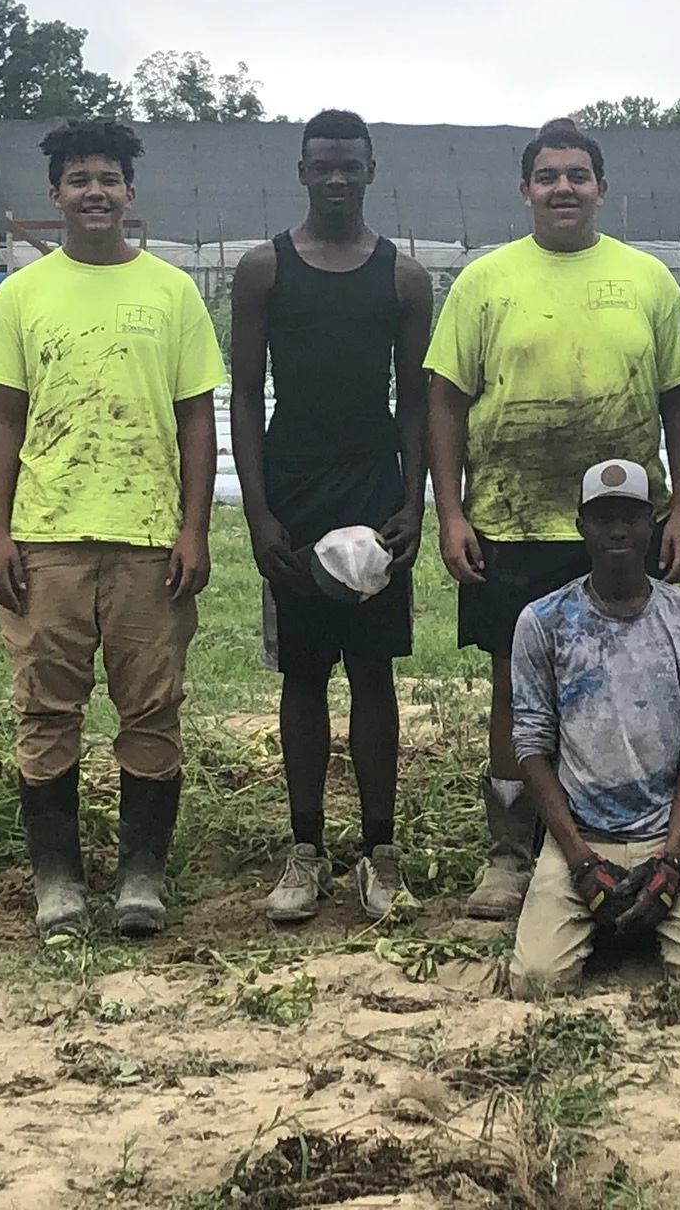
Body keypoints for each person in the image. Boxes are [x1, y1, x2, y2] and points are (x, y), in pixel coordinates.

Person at [425, 118, 680, 920]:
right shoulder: (485, 281)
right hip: (512, 519)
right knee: (514, 689)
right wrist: (452, 512)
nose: (563, 188)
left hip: (622, 525)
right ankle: (511, 850)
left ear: (601, 189)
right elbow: (445, 401)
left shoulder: (647, 280)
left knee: (627, 682)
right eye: (548, 176)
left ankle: (626, 834)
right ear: (525, 190)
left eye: (578, 175)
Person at [0, 117, 225, 939]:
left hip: (149, 540)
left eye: (108, 179)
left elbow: (196, 419)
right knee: (47, 710)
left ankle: (141, 877)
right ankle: (58, 882)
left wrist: (193, 528)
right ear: (55, 196)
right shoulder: (24, 296)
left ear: (129, 193)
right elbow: (2, 419)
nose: (95, 193)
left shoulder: (171, 293)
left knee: (151, 708)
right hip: (46, 538)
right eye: (79, 179)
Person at [228, 109, 432, 923]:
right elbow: (246, 395)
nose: (338, 178)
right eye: (323, 166)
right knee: (304, 673)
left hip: (373, 487)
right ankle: (306, 848)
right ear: (303, 171)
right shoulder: (264, 270)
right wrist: (259, 513)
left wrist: (413, 500)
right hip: (296, 488)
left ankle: (379, 852)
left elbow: (416, 400)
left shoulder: (403, 278)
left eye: (351, 165)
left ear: (371, 170)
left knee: (374, 673)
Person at [507, 458, 680, 997]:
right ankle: (614, 920)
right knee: (536, 981)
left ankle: (637, 916)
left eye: (630, 517)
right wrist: (580, 861)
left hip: (666, 835)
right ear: (581, 526)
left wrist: (673, 859)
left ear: (651, 523)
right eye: (603, 518)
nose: (617, 531)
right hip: (580, 836)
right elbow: (531, 747)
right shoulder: (543, 622)